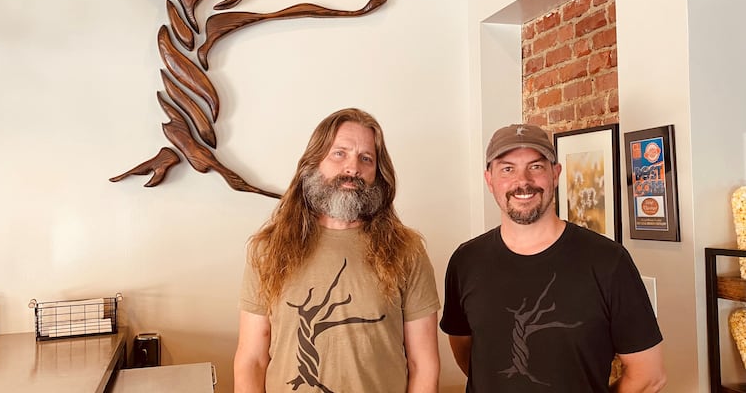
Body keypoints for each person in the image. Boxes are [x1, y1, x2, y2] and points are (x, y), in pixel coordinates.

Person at [440, 123, 667, 392]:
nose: (522, 181)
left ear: (555, 174)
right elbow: (470, 357)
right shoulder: (465, 261)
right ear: (489, 179)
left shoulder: (608, 261)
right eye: (507, 169)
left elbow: (649, 375)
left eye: (536, 167)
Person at [234, 108, 441, 393]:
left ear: (378, 174)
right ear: (314, 161)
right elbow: (251, 360)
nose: (353, 168)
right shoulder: (268, 249)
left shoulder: (407, 251)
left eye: (365, 159)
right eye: (339, 153)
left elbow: (424, 364)